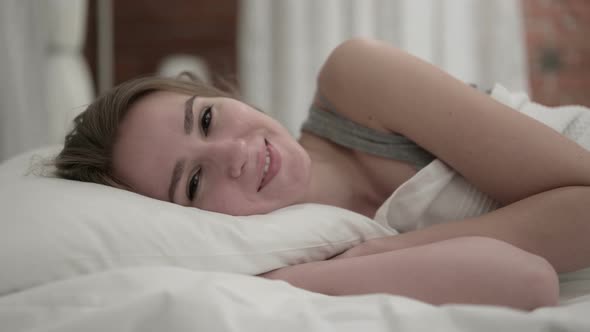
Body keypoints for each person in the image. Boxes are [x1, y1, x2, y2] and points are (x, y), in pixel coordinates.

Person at [55, 38, 590, 309]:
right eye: (193, 182)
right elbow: (526, 279)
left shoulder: (356, 80)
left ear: (222, 95)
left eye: (208, 118)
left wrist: (375, 254)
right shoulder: (293, 259)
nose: (233, 153)